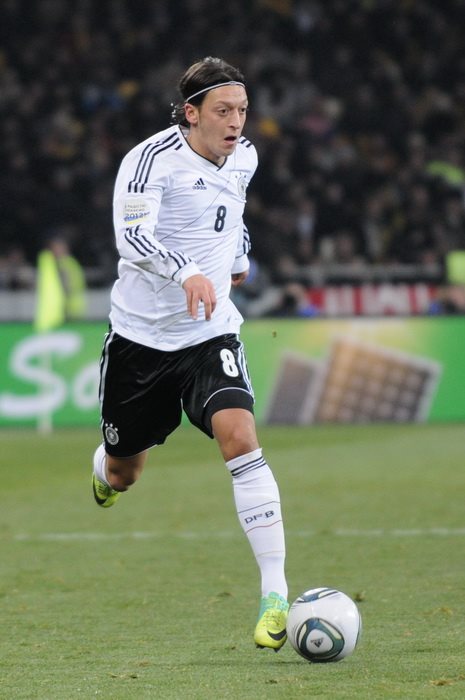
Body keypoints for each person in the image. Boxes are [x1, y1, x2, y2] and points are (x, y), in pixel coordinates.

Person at [92, 57, 289, 651]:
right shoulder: (150, 160)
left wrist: (238, 256)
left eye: (242, 110)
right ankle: (106, 468)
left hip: (210, 334)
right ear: (191, 113)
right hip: (141, 340)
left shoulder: (245, 156)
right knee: (126, 471)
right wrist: (187, 272)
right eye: (223, 111)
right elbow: (132, 236)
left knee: (241, 438)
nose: (236, 122)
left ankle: (274, 593)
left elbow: (234, 211)